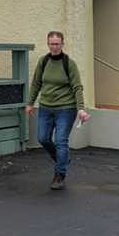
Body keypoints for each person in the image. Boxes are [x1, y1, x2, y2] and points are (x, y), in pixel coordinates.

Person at [25, 31, 90, 190]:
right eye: (51, 44)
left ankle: (60, 174)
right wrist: (30, 103)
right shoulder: (44, 61)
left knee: (61, 141)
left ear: (62, 44)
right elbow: (36, 84)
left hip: (66, 109)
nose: (54, 47)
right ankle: (63, 158)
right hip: (46, 107)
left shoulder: (69, 64)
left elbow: (77, 87)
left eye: (57, 44)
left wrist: (81, 109)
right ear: (48, 44)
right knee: (43, 138)